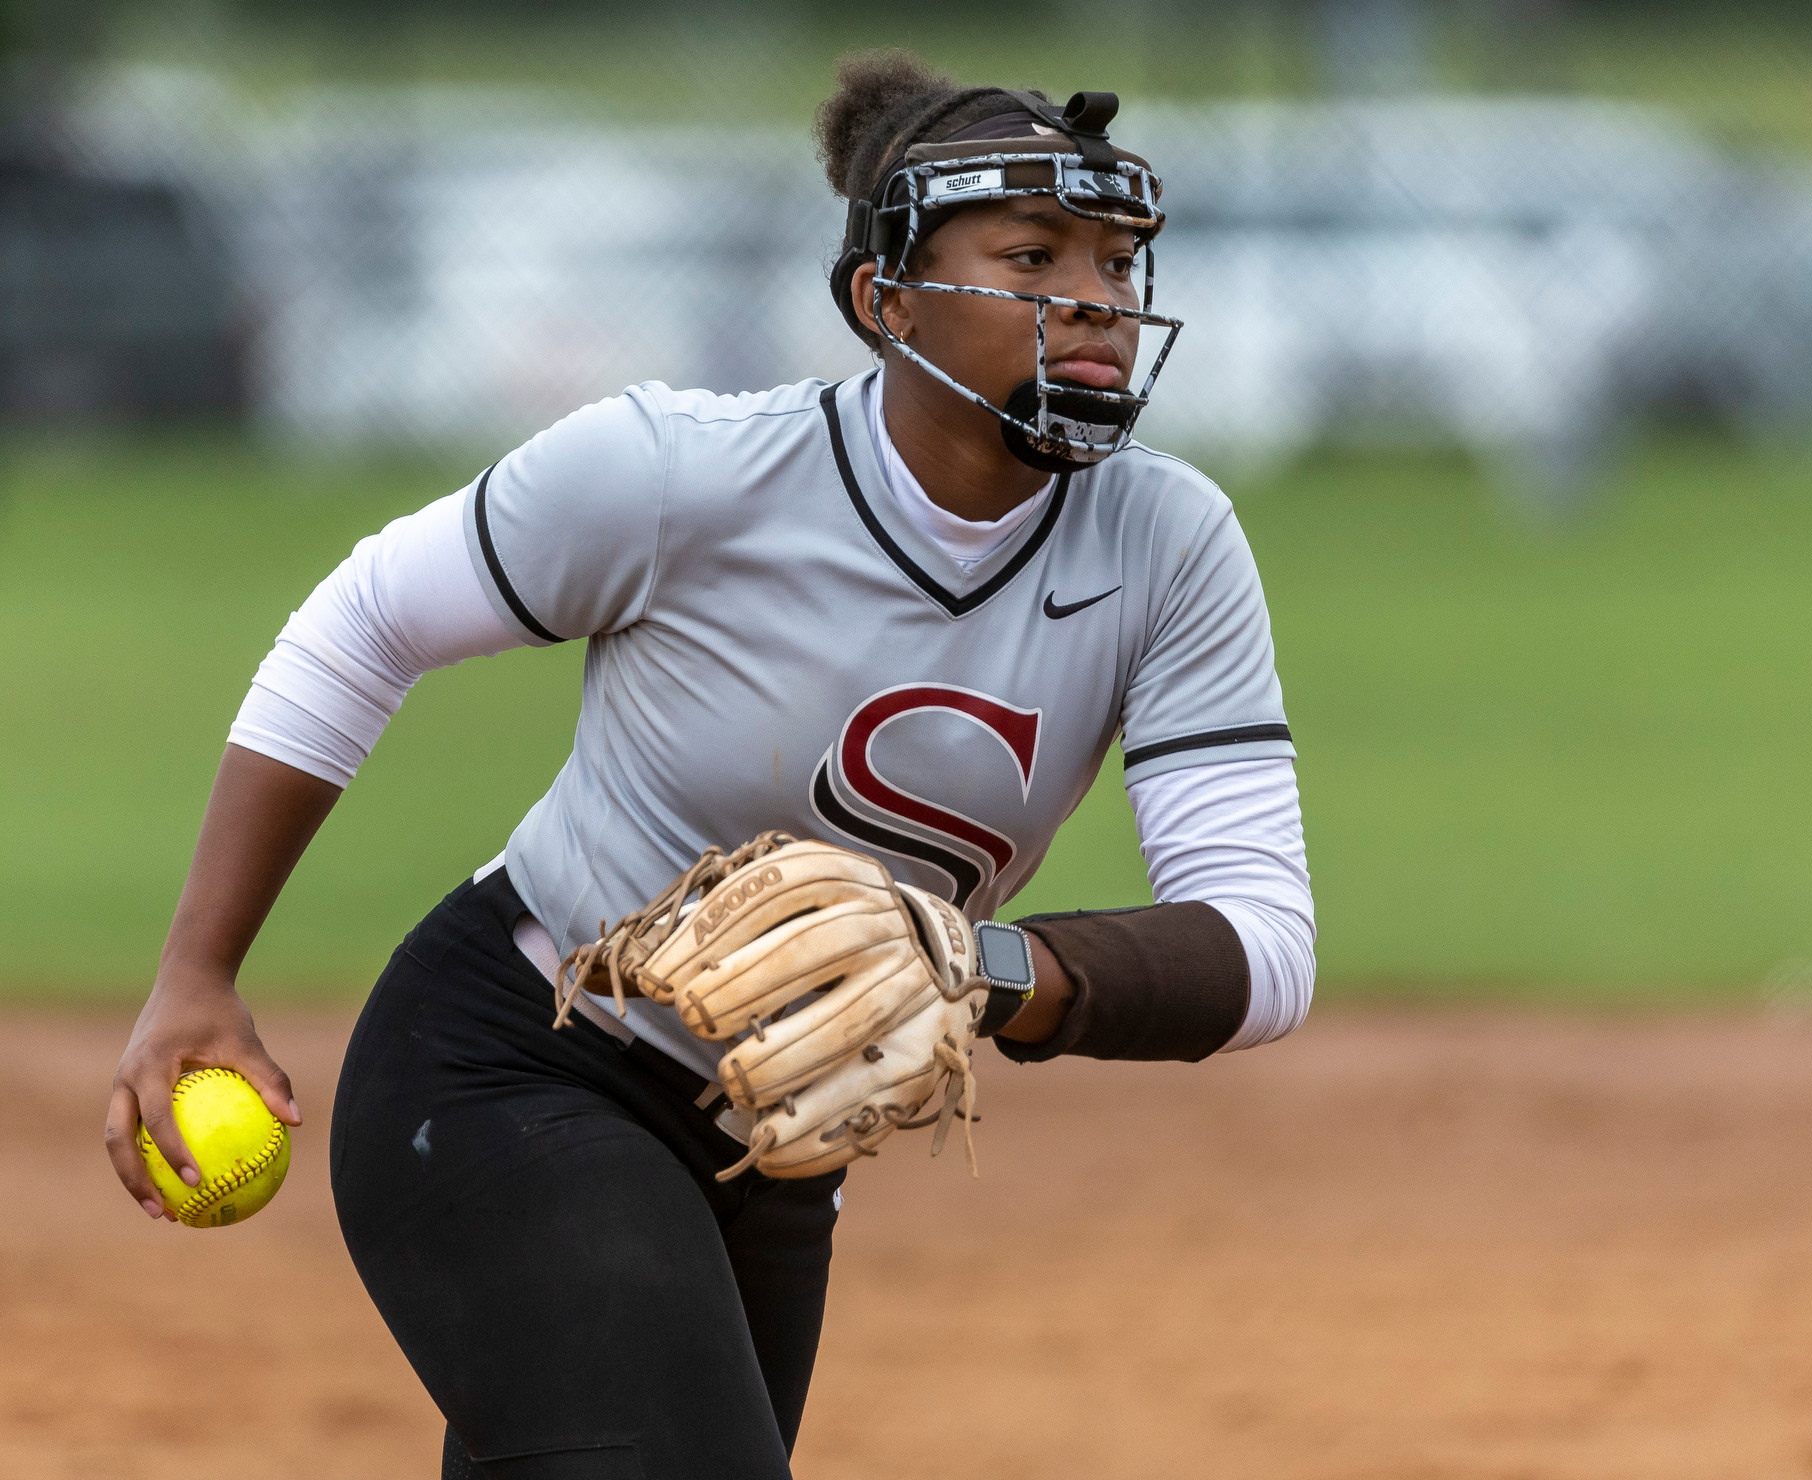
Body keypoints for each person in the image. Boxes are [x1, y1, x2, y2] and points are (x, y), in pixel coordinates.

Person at [104, 51, 1314, 1478]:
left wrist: (971, 967)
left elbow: (1261, 947)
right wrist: (197, 975)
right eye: (1032, 255)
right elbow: (360, 627)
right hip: (516, 1061)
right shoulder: (680, 473)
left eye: (1115, 262)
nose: (1096, 301)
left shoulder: (1168, 545)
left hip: (779, 1154)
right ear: (884, 301)